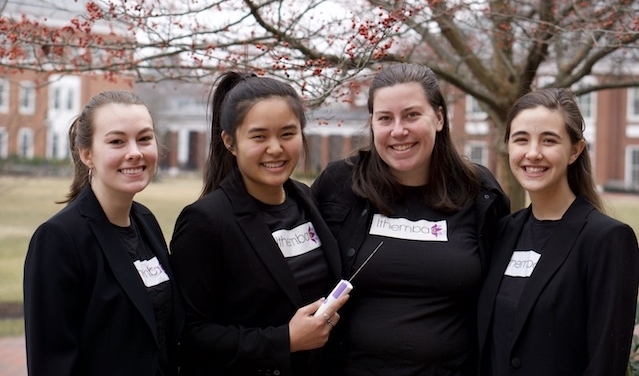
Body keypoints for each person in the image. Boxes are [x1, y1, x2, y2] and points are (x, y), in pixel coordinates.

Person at [311, 63, 511, 375]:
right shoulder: (339, 185)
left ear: (440, 118)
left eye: (412, 115)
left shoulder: (480, 193)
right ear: (372, 123)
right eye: (385, 118)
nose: (398, 130)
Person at [169, 72, 348, 375]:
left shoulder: (306, 199)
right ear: (230, 141)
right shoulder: (205, 222)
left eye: (288, 134)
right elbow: (189, 336)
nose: (276, 148)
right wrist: (284, 341)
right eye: (259, 136)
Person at [477, 88, 639, 375]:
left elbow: (605, 363)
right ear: (508, 146)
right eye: (521, 139)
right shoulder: (502, 232)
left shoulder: (606, 240)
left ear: (575, 150)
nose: (533, 153)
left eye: (549, 140)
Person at [23, 91, 183, 376]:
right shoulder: (58, 240)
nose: (134, 151)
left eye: (144, 138)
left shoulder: (146, 221)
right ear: (87, 155)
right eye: (117, 141)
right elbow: (52, 364)